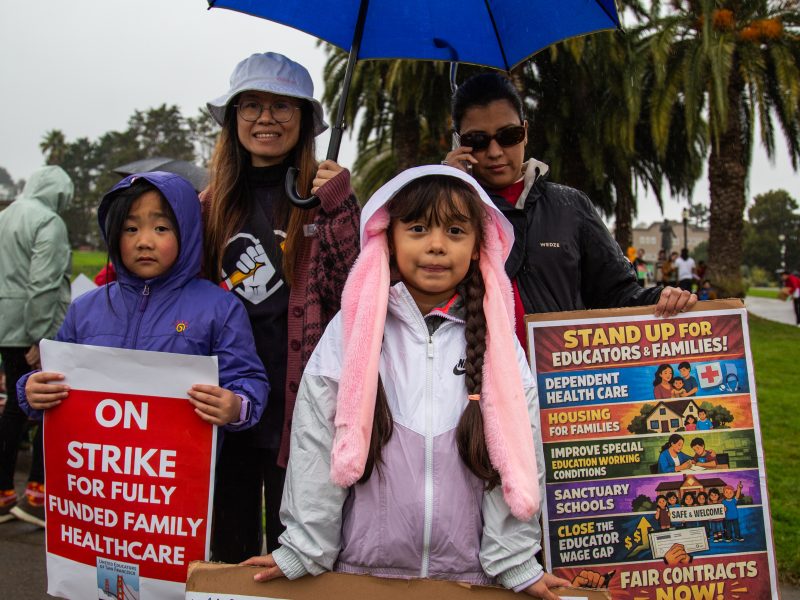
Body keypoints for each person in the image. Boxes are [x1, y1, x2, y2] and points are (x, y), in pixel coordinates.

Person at [243, 166, 570, 598]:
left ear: (478, 247)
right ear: (388, 238)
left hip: (469, 581)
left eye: (455, 230)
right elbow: (316, 440)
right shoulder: (354, 329)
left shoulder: (497, 341)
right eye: (417, 228)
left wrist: (514, 560)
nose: (436, 245)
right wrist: (304, 547)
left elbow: (518, 449)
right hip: (360, 577)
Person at [16, 173, 269, 515]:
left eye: (161, 228)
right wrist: (30, 391)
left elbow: (248, 380)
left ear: (188, 233)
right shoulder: (85, 309)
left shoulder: (219, 308)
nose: (144, 241)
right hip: (97, 494)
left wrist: (236, 406)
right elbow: (51, 380)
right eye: (131, 229)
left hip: (177, 493)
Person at [203, 52, 360, 561]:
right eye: (250, 105)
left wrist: (338, 206)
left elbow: (355, 290)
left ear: (306, 122)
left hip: (302, 408)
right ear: (232, 119)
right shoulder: (207, 206)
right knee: (226, 547)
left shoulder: (326, 198)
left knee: (296, 553)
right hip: (224, 405)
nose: (265, 119)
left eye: (282, 107)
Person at [443, 72, 695, 345]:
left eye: (508, 135)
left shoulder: (571, 206)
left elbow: (615, 293)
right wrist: (444, 191)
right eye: (477, 141)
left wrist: (662, 298)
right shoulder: (445, 209)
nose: (494, 152)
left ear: (525, 132)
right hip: (472, 380)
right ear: (459, 144)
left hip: (560, 379)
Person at [0, 166, 74, 526]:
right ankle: (38, 492)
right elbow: (43, 282)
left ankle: (3, 491)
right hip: (33, 326)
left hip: (4, 321)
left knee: (13, 407)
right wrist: (40, 334)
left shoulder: (7, 214)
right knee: (48, 403)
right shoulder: (49, 221)